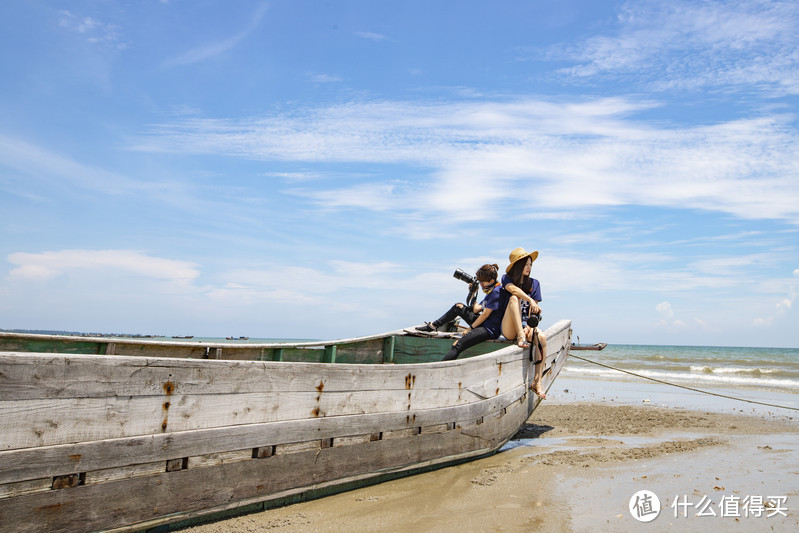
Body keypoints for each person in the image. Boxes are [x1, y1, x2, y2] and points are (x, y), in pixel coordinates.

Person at [416, 264, 505, 361]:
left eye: (482, 283)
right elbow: (476, 309)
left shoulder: (497, 292)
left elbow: (485, 314)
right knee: (458, 307)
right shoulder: (491, 291)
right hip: (483, 323)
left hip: (488, 329)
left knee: (458, 345)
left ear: (492, 281)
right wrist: (473, 293)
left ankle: (439, 368)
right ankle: (433, 326)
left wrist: (470, 329)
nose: (481, 285)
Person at [499, 247, 548, 399]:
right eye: (526, 264)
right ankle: (520, 336)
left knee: (542, 338)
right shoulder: (506, 278)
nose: (529, 268)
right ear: (518, 266)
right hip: (510, 328)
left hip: (526, 326)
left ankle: (537, 382)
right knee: (515, 298)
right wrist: (529, 299)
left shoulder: (535, 283)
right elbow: (512, 290)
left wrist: (529, 327)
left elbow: (533, 311)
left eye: (530, 264)